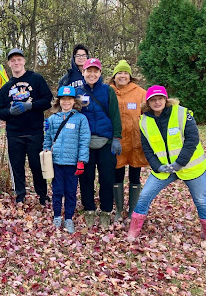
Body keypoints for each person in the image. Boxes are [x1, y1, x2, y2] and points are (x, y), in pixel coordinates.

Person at [128, 85, 206, 241]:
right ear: (148, 103)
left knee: (201, 200)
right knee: (144, 196)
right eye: (153, 100)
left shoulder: (182, 114)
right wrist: (157, 166)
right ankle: (133, 231)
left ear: (166, 99)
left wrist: (179, 163)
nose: (157, 102)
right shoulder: (144, 121)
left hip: (191, 167)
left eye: (160, 99)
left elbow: (192, 140)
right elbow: (147, 149)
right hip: (164, 168)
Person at [0, 48, 53, 204]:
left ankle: (42, 196)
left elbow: (48, 100)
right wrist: (10, 112)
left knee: (37, 165)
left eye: (18, 59)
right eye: (13, 60)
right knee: (17, 166)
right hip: (14, 134)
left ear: (24, 61)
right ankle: (20, 195)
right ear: (9, 63)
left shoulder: (36, 79)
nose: (16, 62)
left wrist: (30, 106)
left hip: (35, 132)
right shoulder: (5, 87)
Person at [75, 58, 122, 228]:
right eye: (89, 71)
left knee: (107, 178)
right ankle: (88, 209)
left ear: (100, 73)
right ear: (83, 72)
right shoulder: (77, 92)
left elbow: (115, 115)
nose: (92, 74)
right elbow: (70, 113)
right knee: (86, 178)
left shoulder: (108, 91)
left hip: (106, 141)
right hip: (85, 142)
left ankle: (106, 210)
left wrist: (116, 138)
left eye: (95, 71)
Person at [43, 86, 90, 233]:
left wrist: (82, 160)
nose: (66, 102)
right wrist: (46, 152)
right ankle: (57, 216)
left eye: (69, 99)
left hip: (72, 163)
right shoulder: (52, 119)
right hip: (56, 162)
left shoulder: (81, 119)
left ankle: (68, 218)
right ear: (59, 101)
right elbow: (47, 139)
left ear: (74, 101)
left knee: (70, 191)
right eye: (63, 99)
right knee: (57, 191)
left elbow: (84, 141)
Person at [108, 60, 148, 220]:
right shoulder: (108, 91)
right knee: (117, 174)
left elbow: (149, 114)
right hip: (116, 140)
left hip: (135, 141)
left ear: (130, 76)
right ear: (114, 76)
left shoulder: (140, 92)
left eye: (125, 73)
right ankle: (118, 210)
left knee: (134, 175)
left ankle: (132, 210)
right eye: (119, 73)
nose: (122, 76)